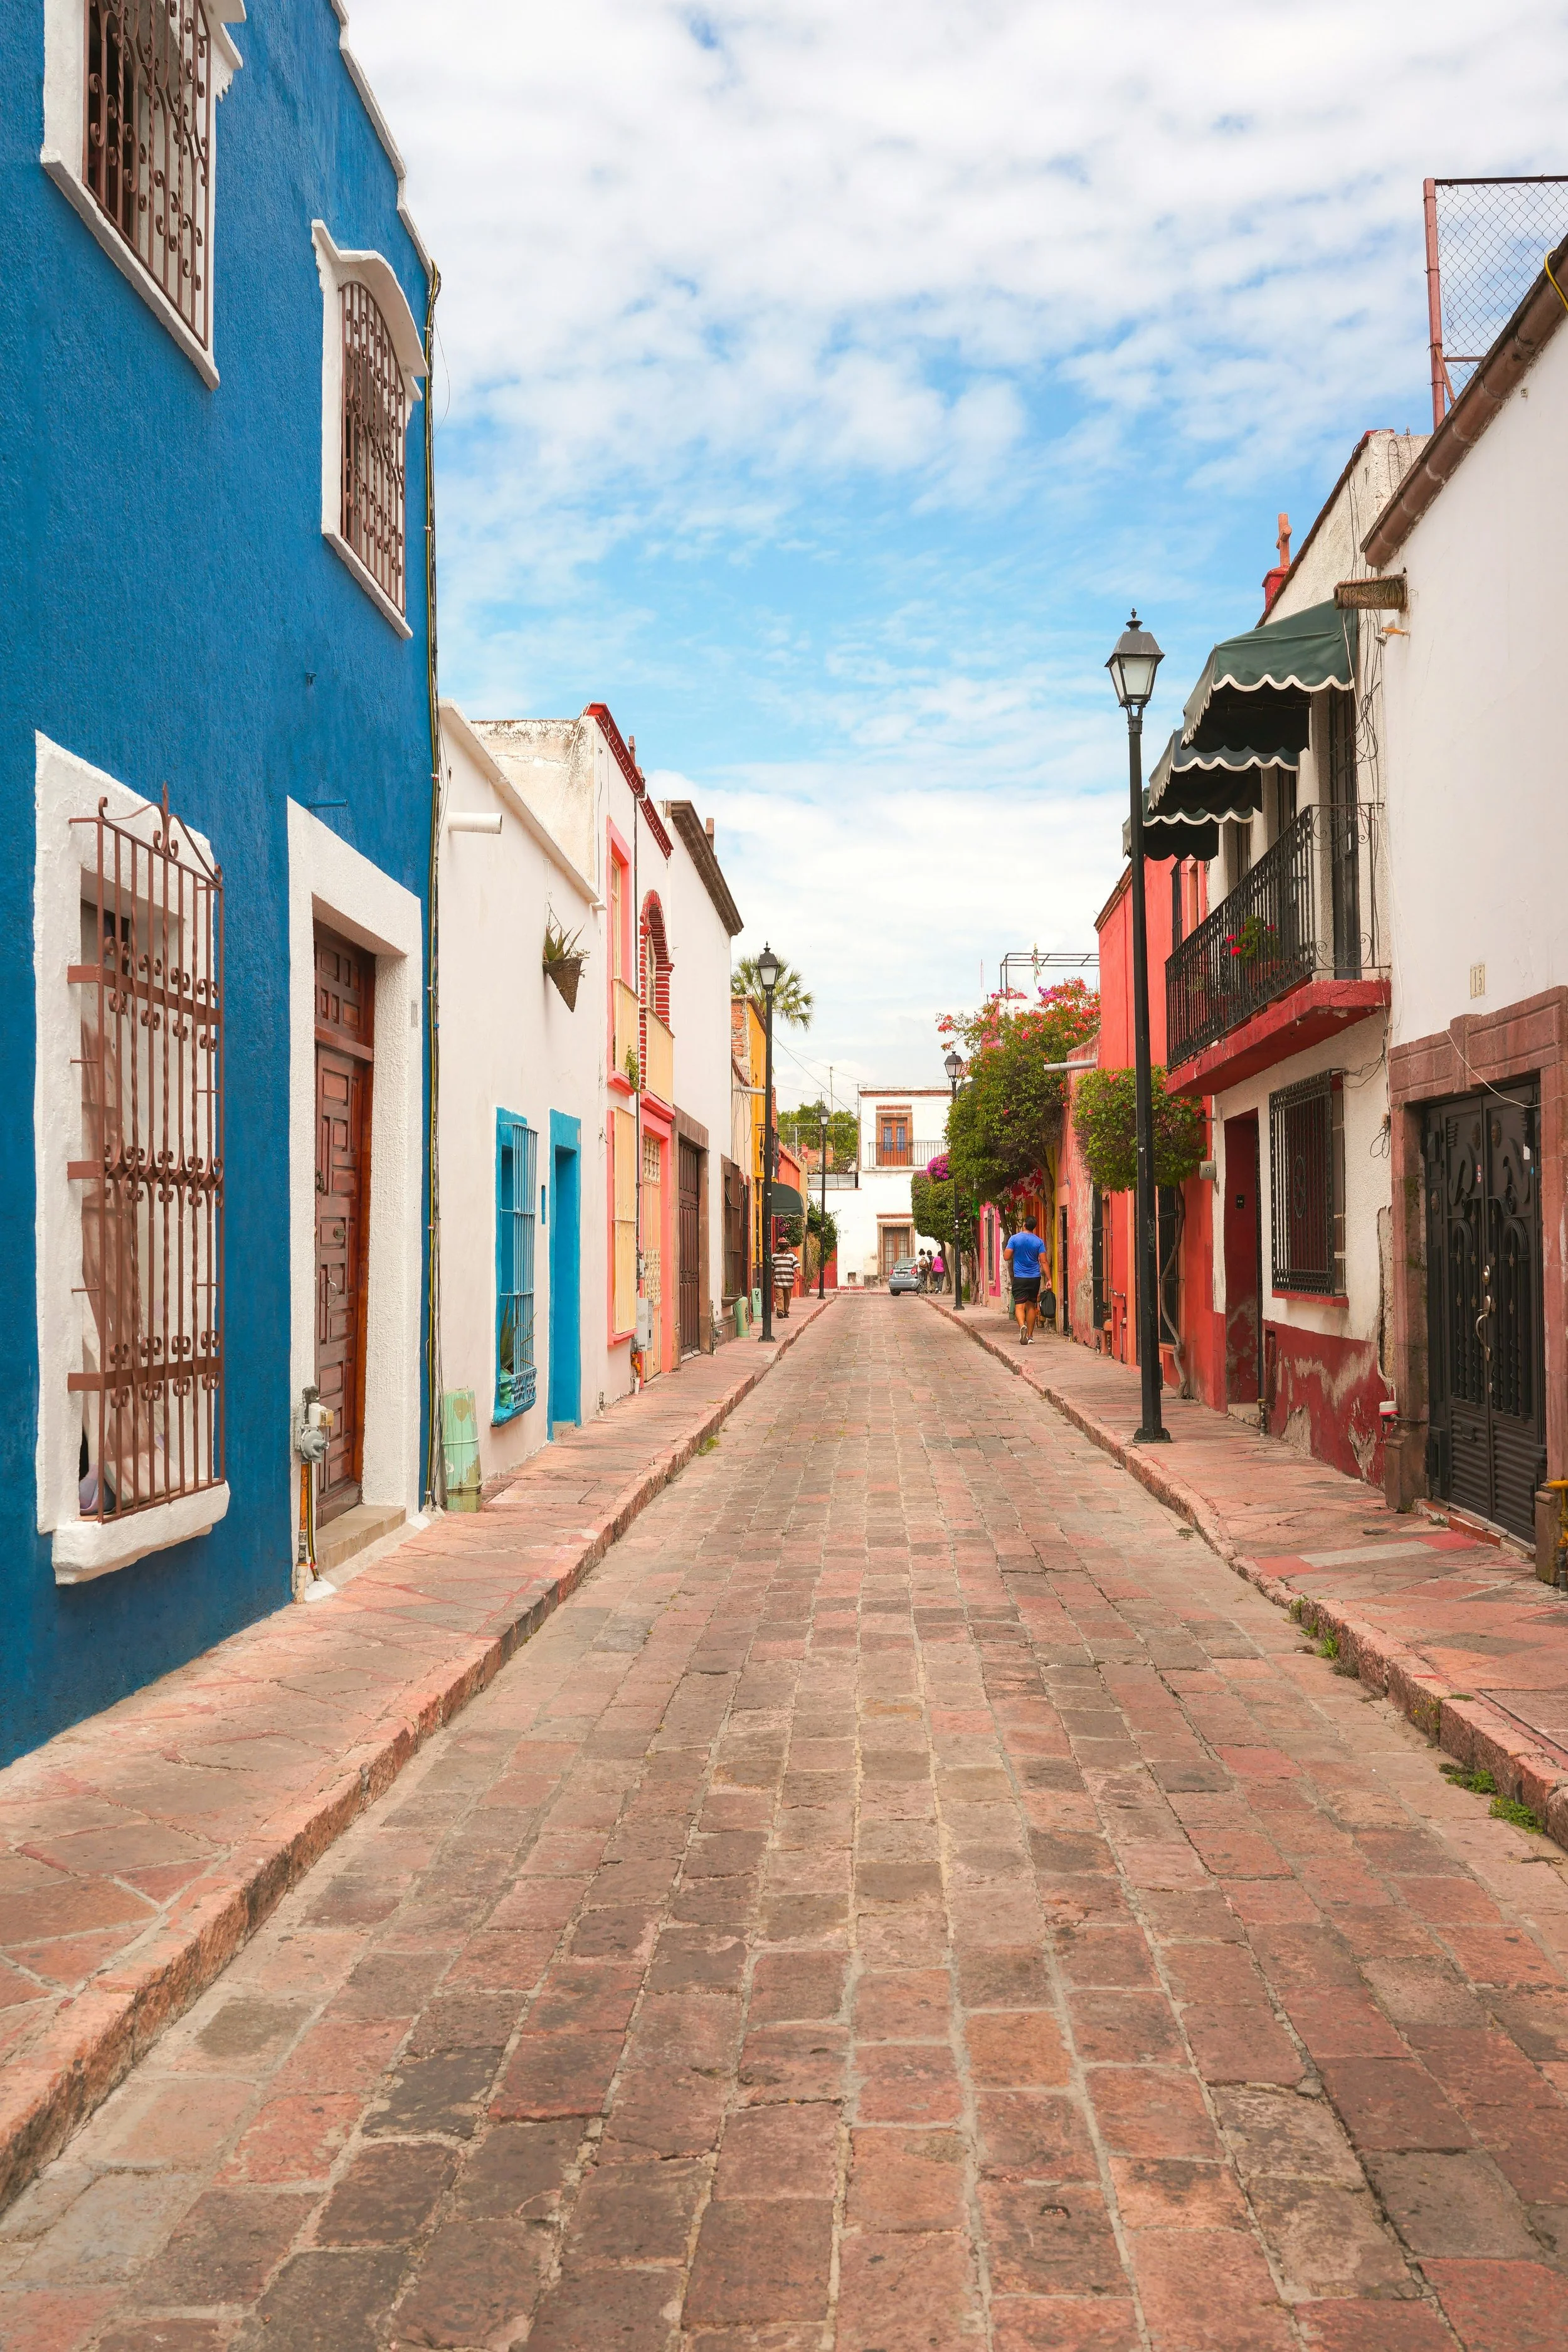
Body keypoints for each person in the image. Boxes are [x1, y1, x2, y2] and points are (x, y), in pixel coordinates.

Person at [1004, 1216, 1049, 1344]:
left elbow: (1006, 1257)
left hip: (1020, 1278)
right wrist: (1049, 1279)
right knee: (1031, 1306)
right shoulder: (1039, 1242)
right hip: (1034, 1278)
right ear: (1034, 1227)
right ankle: (1030, 1336)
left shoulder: (1014, 1239)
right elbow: (1044, 1261)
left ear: (1024, 1224)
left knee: (1019, 1306)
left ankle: (1022, 1326)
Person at [771, 1236, 798, 1319]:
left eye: (784, 1244)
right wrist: (772, 1278)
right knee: (779, 1296)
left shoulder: (792, 1255)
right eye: (781, 1244)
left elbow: (796, 1265)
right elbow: (772, 1268)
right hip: (778, 1280)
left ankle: (786, 1311)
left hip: (789, 1281)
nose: (783, 1246)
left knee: (787, 1297)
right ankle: (780, 1311)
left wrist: (797, 1275)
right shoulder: (774, 1256)